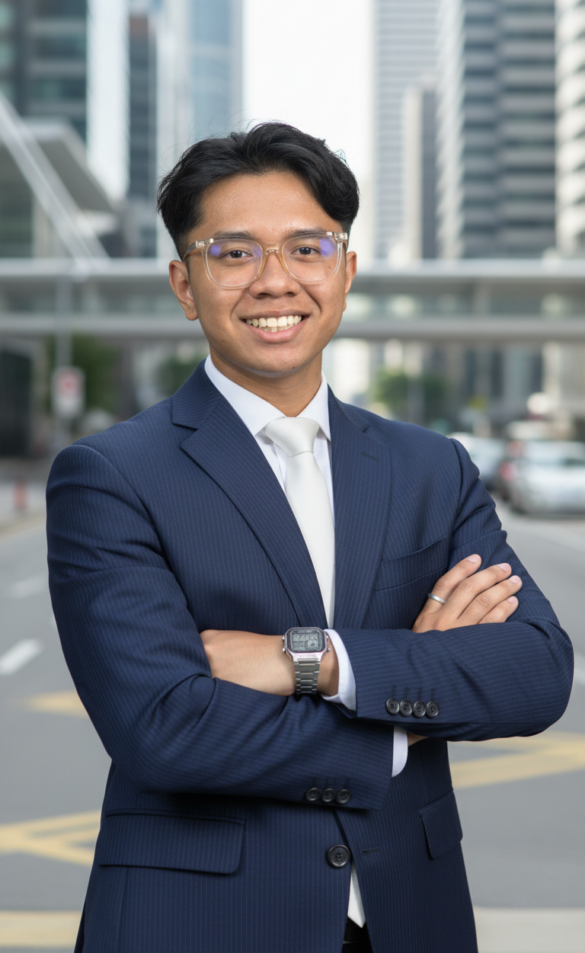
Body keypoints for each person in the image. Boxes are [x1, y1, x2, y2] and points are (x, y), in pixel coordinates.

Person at [46, 123, 573, 953]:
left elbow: (535, 672)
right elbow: (166, 727)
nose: (274, 280)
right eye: (234, 253)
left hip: (412, 915)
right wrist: (406, 708)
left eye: (305, 248)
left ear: (345, 271)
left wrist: (316, 661)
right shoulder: (110, 475)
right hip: (197, 925)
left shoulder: (429, 467)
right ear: (185, 284)